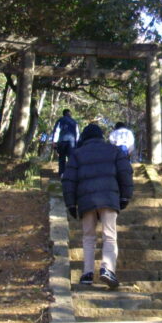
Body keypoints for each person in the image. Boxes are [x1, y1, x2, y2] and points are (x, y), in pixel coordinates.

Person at [62, 123, 133, 289]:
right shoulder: (114, 151)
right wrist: (125, 197)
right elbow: (125, 173)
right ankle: (107, 269)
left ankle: (87, 273)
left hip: (86, 201)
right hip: (109, 198)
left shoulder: (77, 154)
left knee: (88, 237)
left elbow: (68, 180)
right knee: (109, 235)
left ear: (84, 138)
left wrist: (71, 203)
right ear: (101, 136)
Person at [51, 108, 78, 178]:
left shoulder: (60, 120)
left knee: (62, 158)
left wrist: (54, 141)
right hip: (72, 143)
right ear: (69, 114)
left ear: (63, 114)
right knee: (71, 158)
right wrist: (77, 143)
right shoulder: (74, 122)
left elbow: (57, 131)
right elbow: (77, 133)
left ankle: (62, 174)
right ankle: (71, 174)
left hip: (62, 141)